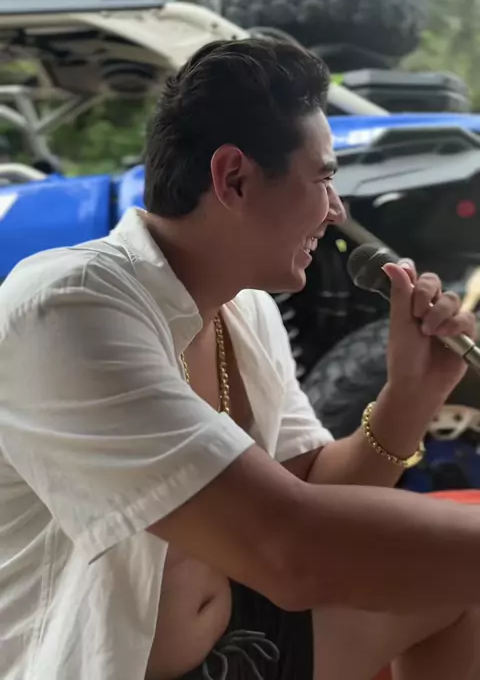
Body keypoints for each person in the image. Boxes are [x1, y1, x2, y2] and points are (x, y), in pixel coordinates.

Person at [0, 38, 480, 680]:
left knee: (455, 591)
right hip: (101, 663)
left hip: (238, 640)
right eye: (324, 179)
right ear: (234, 178)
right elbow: (290, 550)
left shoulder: (244, 308)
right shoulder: (66, 308)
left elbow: (317, 495)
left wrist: (410, 397)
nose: (336, 211)